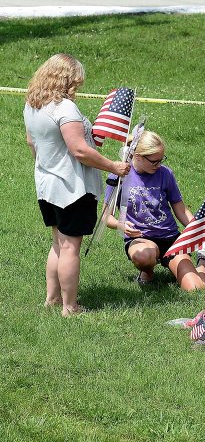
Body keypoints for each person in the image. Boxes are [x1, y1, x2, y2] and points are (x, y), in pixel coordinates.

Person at [24, 53, 131, 317]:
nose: (78, 87)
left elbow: (31, 142)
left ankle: (52, 299)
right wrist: (114, 166)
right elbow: (79, 151)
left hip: (46, 184)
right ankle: (70, 307)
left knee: (58, 243)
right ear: (68, 79)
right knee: (71, 246)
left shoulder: (33, 104)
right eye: (77, 81)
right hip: (71, 187)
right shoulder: (64, 107)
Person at [104, 130, 205, 291]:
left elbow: (181, 210)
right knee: (143, 256)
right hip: (141, 239)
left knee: (196, 288)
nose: (159, 165)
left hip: (170, 238)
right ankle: (148, 271)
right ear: (137, 156)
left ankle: (202, 261)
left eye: (161, 160)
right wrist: (120, 225)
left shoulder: (165, 174)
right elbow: (106, 217)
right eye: (154, 161)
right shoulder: (117, 177)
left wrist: (203, 233)